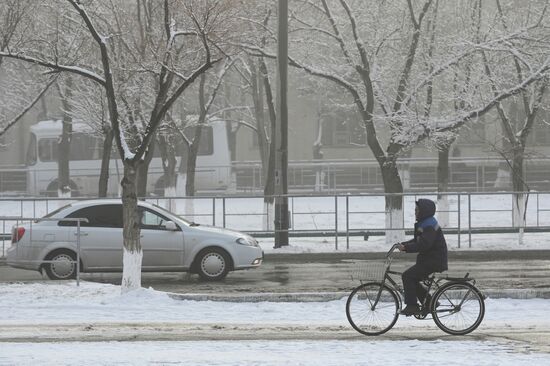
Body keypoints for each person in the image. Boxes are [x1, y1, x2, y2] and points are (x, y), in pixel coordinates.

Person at [398, 198, 448, 316]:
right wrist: (404, 244)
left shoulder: (429, 225)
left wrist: (407, 248)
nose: (415, 212)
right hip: (430, 259)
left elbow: (424, 244)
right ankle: (430, 303)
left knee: (407, 276)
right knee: (412, 278)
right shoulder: (426, 222)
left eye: (417, 210)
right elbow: (418, 240)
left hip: (434, 260)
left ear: (424, 211)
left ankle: (412, 306)